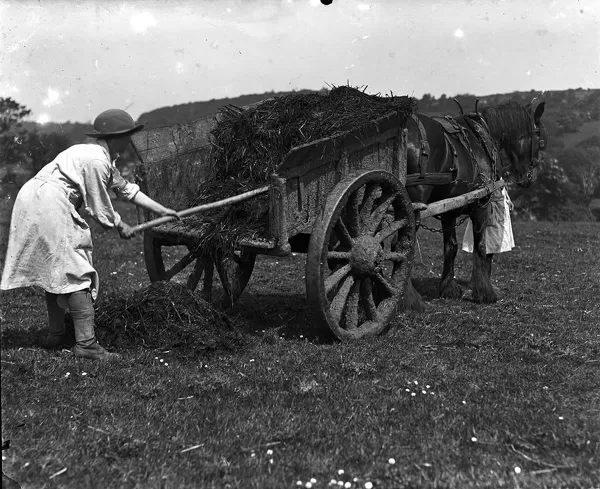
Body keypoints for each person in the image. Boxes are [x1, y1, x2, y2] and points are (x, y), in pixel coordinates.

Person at [1, 109, 179, 361]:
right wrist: (119, 224)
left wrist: (164, 210)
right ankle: (86, 344)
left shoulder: (99, 155)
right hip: (50, 201)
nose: (130, 141)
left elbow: (127, 190)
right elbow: (99, 204)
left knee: (55, 269)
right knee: (77, 269)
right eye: (128, 135)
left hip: (32, 197)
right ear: (116, 136)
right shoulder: (96, 160)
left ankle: (56, 334)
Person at [462, 186, 515, 255]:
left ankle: (489, 255)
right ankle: (482, 256)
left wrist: (508, 198)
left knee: (495, 235)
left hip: (499, 199)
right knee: (485, 234)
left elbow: (501, 181)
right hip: (488, 201)